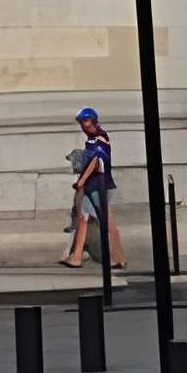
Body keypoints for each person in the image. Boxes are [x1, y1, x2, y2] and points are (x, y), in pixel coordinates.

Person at [60, 107, 124, 270]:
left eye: (86, 121)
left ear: (94, 121)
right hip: (94, 184)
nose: (83, 125)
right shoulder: (91, 139)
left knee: (106, 221)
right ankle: (77, 257)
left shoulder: (99, 138)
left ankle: (118, 257)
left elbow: (96, 162)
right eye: (81, 122)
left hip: (99, 185)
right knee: (83, 218)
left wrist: (81, 181)